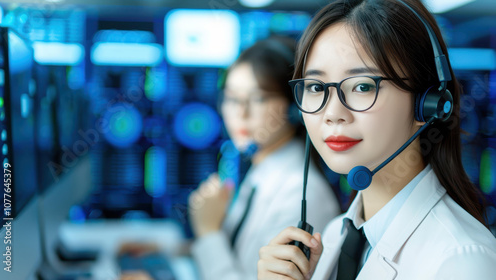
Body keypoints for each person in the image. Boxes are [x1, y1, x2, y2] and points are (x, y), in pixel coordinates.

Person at [257, 0, 496, 279]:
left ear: (428, 103)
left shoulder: (462, 261)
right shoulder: (333, 236)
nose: (333, 114)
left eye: (362, 86)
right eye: (316, 87)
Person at [187, 36, 341, 280]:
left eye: (258, 98)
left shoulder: (302, 194)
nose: (241, 112)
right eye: (231, 98)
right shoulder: (260, 172)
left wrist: (208, 233)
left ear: (295, 106)